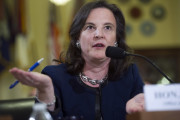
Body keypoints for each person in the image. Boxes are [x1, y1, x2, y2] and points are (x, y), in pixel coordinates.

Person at [9, 1, 145, 120]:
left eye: (108, 27)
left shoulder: (130, 74)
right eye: (90, 27)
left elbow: (142, 113)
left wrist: (140, 111)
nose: (99, 34)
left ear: (116, 39)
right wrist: (46, 94)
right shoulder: (55, 76)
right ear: (77, 38)